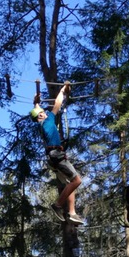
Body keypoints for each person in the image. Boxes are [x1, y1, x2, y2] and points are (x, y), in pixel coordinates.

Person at [30, 83, 84, 224]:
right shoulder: (47, 121)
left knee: (70, 183)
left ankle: (72, 213)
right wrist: (62, 91)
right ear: (41, 115)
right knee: (77, 181)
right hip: (57, 155)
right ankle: (57, 205)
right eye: (43, 111)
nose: (45, 112)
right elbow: (57, 104)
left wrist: (35, 103)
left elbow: (37, 111)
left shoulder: (42, 124)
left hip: (53, 157)